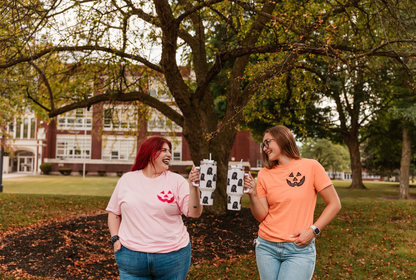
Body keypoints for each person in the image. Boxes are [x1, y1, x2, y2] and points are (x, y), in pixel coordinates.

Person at [244, 126, 342, 280]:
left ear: (282, 138)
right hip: (266, 246)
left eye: (267, 142)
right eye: (263, 145)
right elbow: (261, 216)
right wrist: (253, 195)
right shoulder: (264, 174)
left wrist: (313, 230)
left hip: (299, 249)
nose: (265, 148)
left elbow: (335, 204)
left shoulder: (311, 166)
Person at [106, 136, 203, 280]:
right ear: (150, 152)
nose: (169, 154)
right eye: (164, 150)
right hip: (131, 257)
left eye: (170, 151)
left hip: (173, 258)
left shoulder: (177, 181)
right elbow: (114, 212)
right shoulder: (127, 180)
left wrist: (194, 187)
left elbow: (195, 212)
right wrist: (115, 239)